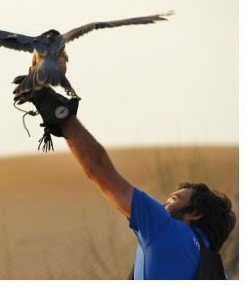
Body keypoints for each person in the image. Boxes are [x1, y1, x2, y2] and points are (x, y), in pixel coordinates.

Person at [28, 88, 235, 278]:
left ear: (195, 213)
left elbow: (97, 167)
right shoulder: (219, 273)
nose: (164, 204)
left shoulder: (165, 227)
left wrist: (62, 116)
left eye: (174, 199)